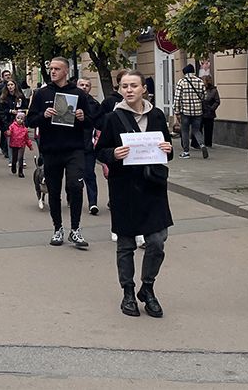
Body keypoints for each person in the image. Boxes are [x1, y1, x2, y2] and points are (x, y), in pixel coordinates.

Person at [96, 69, 174, 318]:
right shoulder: (113, 118)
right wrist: (113, 155)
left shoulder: (158, 115)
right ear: (120, 90)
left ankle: (147, 287)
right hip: (125, 188)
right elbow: (100, 151)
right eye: (124, 86)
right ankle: (128, 292)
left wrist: (168, 148)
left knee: (157, 241)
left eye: (133, 86)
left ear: (143, 89)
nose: (129, 90)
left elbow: (167, 151)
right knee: (126, 244)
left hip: (153, 187)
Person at [25, 57, 93, 249]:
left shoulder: (78, 94)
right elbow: (30, 120)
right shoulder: (41, 93)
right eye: (51, 68)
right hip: (51, 149)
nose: (53, 71)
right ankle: (58, 229)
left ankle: (76, 230)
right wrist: (44, 116)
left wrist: (82, 117)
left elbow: (91, 121)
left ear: (66, 71)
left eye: (57, 68)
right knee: (53, 191)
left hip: (74, 149)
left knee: (75, 186)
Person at [76, 78, 103, 216]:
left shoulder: (94, 104)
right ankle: (72, 199)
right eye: (82, 85)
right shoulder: (70, 101)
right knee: (73, 176)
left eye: (87, 85)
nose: (84, 87)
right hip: (72, 145)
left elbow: (99, 123)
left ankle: (93, 203)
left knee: (89, 174)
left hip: (88, 146)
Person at [173, 64, 208, 159]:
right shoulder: (200, 81)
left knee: (184, 131)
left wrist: (176, 111)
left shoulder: (181, 82)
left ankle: (186, 152)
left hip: (185, 112)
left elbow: (177, 98)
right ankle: (202, 145)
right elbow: (205, 96)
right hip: (198, 112)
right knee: (196, 130)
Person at [0, 78, 28, 173]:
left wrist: (22, 113)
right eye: (8, 85)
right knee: (11, 142)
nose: (10, 87)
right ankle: (12, 161)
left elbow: (25, 107)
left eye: (12, 85)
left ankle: (22, 160)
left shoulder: (20, 96)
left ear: (15, 86)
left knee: (21, 142)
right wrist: (10, 111)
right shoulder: (4, 97)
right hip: (9, 122)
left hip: (20, 122)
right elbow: (2, 111)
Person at [6, 112, 33, 177]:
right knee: (14, 158)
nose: (19, 120)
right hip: (14, 144)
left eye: (21, 119)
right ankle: (13, 165)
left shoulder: (25, 129)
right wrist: (8, 133)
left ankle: (20, 172)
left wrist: (30, 146)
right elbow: (8, 133)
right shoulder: (12, 126)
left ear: (23, 120)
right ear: (15, 118)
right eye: (18, 118)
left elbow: (27, 139)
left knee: (20, 158)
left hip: (21, 145)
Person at [201, 75, 220, 149]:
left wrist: (212, 108)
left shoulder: (213, 91)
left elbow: (217, 101)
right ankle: (199, 143)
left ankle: (208, 143)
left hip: (209, 113)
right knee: (198, 128)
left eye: (203, 81)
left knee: (208, 129)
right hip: (201, 112)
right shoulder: (201, 89)